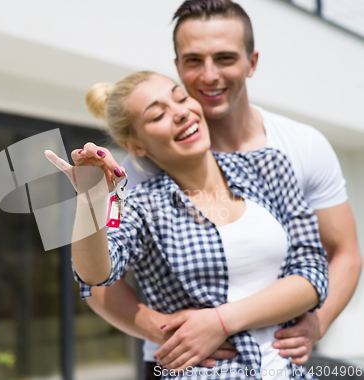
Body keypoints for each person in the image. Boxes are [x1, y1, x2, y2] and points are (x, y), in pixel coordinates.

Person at [83, 0, 362, 377]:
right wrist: (165, 329)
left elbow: (342, 252)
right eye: (194, 60)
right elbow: (94, 279)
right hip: (188, 363)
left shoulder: (294, 148)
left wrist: (317, 322)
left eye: (225, 58)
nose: (210, 75)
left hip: (281, 359)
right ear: (178, 67)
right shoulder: (129, 176)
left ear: (252, 62)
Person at [45, 71, 328, 380]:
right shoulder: (143, 205)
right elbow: (96, 274)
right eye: (157, 115)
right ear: (136, 145)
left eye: (180, 98)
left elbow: (312, 270)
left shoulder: (269, 167)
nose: (180, 113)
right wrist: (91, 200)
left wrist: (221, 321)